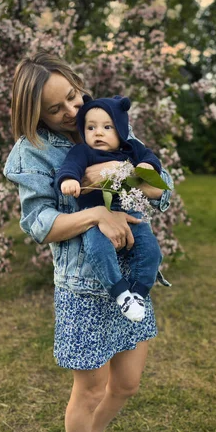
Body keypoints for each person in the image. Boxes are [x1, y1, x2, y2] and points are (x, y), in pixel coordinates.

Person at [3, 51, 173, 432]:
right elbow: (39, 223)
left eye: (74, 96)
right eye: (58, 109)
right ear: (36, 115)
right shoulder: (32, 151)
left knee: (127, 383)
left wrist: (114, 174)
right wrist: (98, 213)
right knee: (91, 386)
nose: (74, 112)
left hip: (132, 286)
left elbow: (163, 184)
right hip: (83, 289)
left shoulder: (106, 122)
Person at [57, 94, 164, 323]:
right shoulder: (83, 151)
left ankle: (138, 292)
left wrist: (146, 166)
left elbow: (150, 161)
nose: (98, 132)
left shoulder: (131, 148)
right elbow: (71, 166)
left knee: (151, 251)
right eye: (91, 127)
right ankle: (121, 292)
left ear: (121, 129)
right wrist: (69, 179)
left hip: (131, 214)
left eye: (107, 126)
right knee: (97, 249)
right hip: (96, 217)